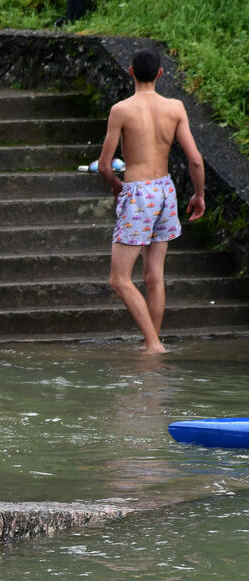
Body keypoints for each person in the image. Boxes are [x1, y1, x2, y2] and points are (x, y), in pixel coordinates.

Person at [97, 47, 205, 354]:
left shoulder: (121, 110)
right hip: (165, 190)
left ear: (130, 72)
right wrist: (199, 195)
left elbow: (105, 165)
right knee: (153, 275)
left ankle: (155, 345)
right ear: (160, 73)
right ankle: (150, 342)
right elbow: (195, 160)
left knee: (119, 279)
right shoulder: (175, 107)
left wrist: (117, 185)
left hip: (139, 193)